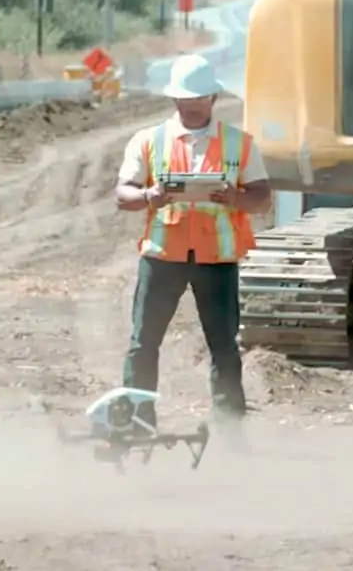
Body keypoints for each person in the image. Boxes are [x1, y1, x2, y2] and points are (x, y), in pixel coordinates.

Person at [115, 54, 272, 431]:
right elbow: (123, 194)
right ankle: (137, 421)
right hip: (163, 256)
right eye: (185, 100)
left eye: (197, 99)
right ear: (174, 101)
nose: (191, 106)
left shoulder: (239, 144)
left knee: (224, 347)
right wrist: (150, 196)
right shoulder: (149, 141)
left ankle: (230, 428)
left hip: (216, 259)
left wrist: (234, 198)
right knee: (143, 343)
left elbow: (262, 196)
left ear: (212, 99)